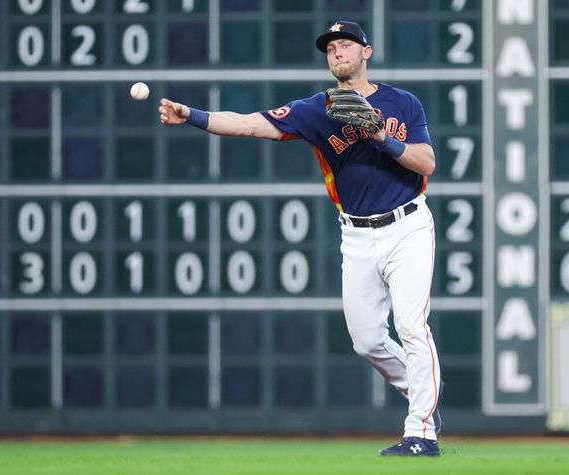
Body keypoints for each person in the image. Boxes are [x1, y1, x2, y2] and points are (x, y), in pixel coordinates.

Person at [158, 20, 443, 457]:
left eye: (345, 45)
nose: (337, 53)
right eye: (330, 48)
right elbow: (251, 124)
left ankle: (420, 430)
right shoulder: (318, 109)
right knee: (366, 340)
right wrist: (193, 116)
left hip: (408, 227)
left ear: (366, 52)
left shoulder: (402, 103)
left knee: (409, 324)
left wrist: (382, 137)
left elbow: (425, 164)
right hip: (357, 235)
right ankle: (426, 398)